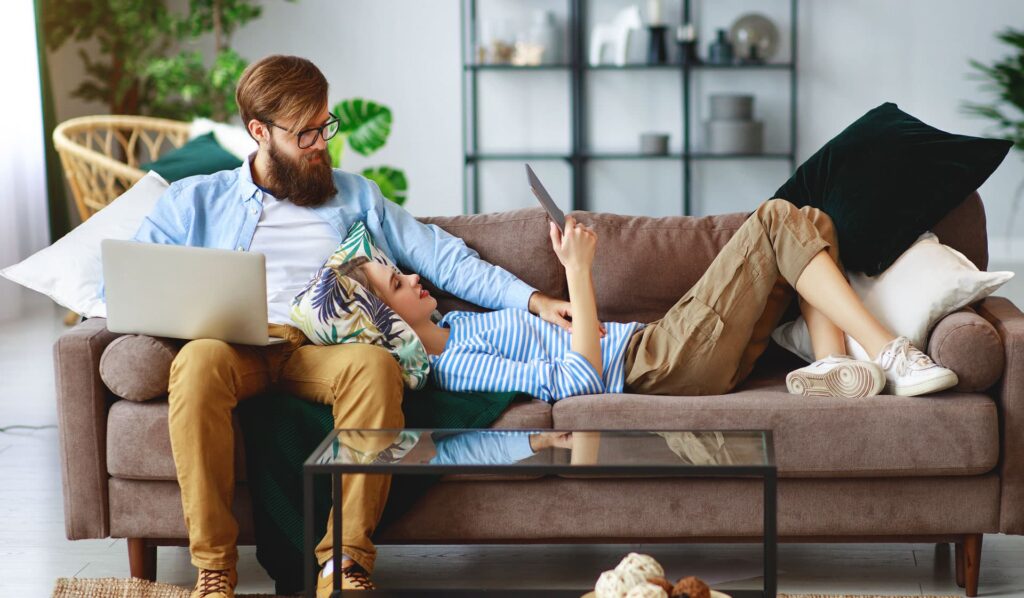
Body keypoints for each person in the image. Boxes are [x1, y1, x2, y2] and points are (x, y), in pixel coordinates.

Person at [128, 55, 577, 597]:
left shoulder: (355, 196)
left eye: (326, 125)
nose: (321, 143)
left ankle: (344, 561)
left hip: (321, 351)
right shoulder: (196, 201)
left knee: (373, 365)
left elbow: (441, 256)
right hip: (236, 346)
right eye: (305, 134)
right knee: (196, 362)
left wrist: (531, 298)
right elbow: (128, 280)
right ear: (259, 132)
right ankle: (214, 568)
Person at [341, 199, 959, 403]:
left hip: (656, 342)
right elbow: (578, 381)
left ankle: (830, 368)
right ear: (385, 322)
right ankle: (890, 353)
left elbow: (556, 340)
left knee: (811, 221)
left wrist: (544, 304)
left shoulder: (458, 325)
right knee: (777, 219)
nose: (416, 280)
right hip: (651, 364)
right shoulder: (454, 363)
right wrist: (577, 277)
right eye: (399, 286)